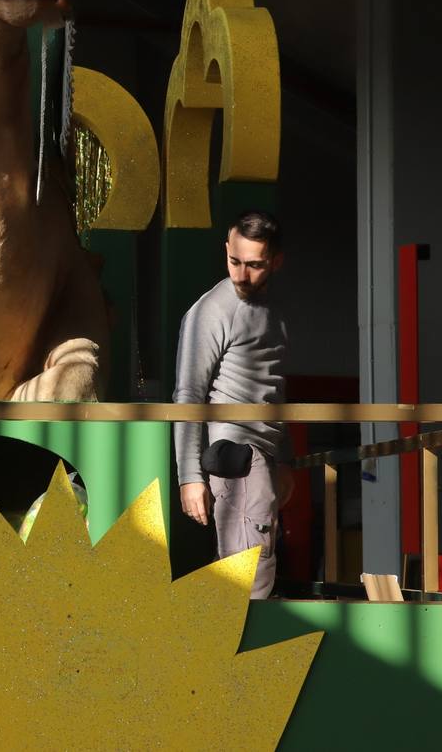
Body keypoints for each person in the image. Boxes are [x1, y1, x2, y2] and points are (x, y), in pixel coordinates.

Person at [172, 211, 293, 599]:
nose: (242, 274)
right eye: (234, 261)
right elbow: (188, 394)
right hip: (235, 453)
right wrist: (189, 476)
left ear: (276, 261)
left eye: (255, 265)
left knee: (258, 559)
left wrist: (283, 460)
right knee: (248, 571)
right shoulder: (211, 310)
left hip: (264, 454)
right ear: (226, 250)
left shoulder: (273, 311)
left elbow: (273, 390)